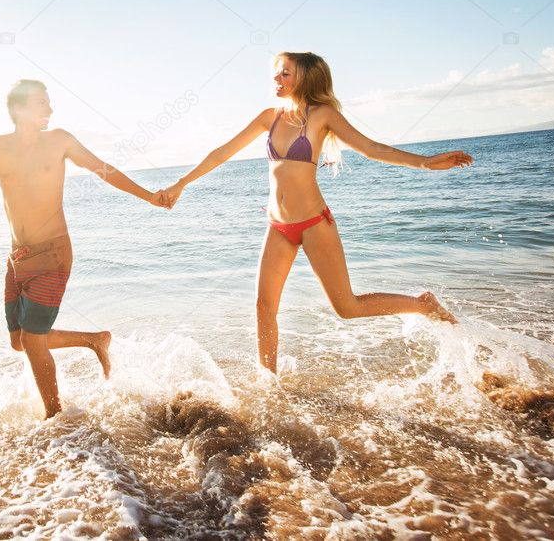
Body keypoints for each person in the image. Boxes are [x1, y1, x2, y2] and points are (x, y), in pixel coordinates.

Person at [159, 52, 471, 374]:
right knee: (264, 307)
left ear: (304, 78)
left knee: (347, 307)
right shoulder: (270, 117)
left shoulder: (322, 115)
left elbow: (372, 149)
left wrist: (425, 161)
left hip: (313, 223)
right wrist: (182, 183)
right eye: (276, 74)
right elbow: (222, 152)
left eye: (285, 74)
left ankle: (422, 305)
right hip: (277, 226)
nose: (277, 80)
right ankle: (269, 382)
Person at [0, 79, 167, 417]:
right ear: (18, 109)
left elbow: (105, 170)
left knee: (32, 339)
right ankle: (94, 340)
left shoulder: (59, 141)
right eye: (41, 103)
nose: (50, 109)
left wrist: (148, 196)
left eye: (49, 102)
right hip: (17, 259)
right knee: (20, 341)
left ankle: (56, 419)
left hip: (54, 253)